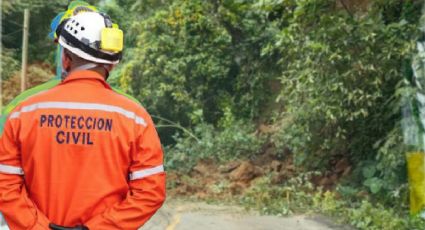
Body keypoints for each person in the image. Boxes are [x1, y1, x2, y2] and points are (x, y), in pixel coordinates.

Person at [0, 11, 166, 230]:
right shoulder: (135, 118)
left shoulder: (24, 112)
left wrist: (36, 226)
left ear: (66, 58)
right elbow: (150, 192)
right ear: (112, 65)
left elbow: (5, 183)